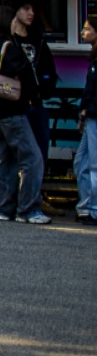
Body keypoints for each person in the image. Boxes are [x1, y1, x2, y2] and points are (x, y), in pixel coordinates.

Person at [0, 0, 55, 224]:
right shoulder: (8, 47)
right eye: (12, 20)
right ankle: (28, 209)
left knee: (3, 159)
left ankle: (4, 208)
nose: (15, 24)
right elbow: (26, 75)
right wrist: (34, 91)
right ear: (6, 22)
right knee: (32, 158)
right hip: (12, 109)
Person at [76, 13, 96, 227]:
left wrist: (86, 110)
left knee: (92, 164)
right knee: (81, 161)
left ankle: (93, 209)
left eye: (88, 28)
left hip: (93, 116)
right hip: (89, 115)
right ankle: (85, 206)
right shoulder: (93, 60)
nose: (83, 32)